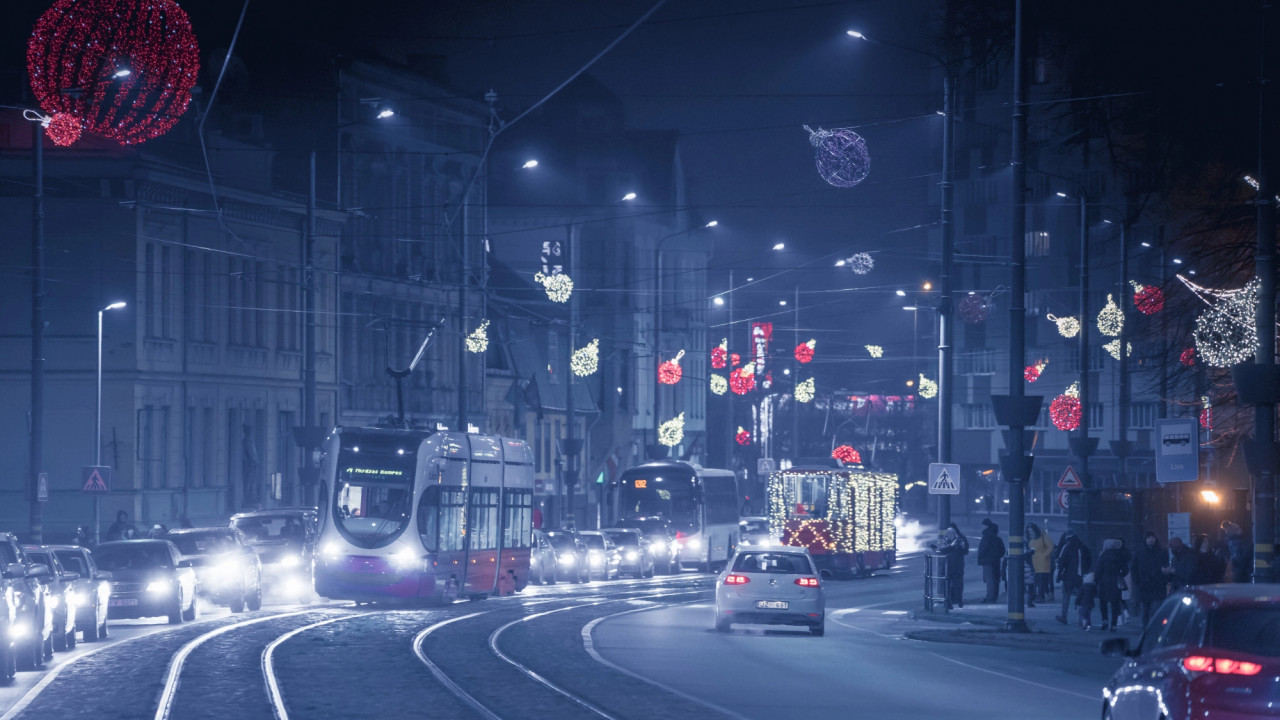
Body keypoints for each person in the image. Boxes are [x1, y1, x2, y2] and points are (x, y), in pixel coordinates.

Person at [1131, 531, 1169, 627]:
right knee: (1146, 609)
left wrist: (1164, 580)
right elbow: (1133, 568)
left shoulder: (1161, 552)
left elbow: (1166, 566)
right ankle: (1146, 627)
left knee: (1157, 609)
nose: (1151, 539)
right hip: (1144, 585)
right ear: (1145, 539)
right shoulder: (1139, 553)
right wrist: (1138, 582)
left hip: (1158, 585)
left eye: (1153, 537)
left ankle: (1157, 627)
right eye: (1149, 538)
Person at [1054, 529, 1091, 625]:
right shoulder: (1083, 547)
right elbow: (1088, 561)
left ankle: (1064, 617)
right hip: (1080, 576)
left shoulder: (1067, 547)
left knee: (1066, 596)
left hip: (1069, 576)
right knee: (1082, 597)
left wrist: (1058, 576)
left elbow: (1062, 563)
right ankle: (1082, 619)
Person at [931, 523, 969, 609]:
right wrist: (952, 546)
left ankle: (959, 600)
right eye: (948, 533)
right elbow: (942, 550)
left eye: (952, 533)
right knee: (947, 585)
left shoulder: (960, 540)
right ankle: (948, 602)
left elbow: (965, 551)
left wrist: (959, 546)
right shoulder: (943, 540)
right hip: (947, 566)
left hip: (958, 566)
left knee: (958, 584)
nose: (950, 535)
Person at [1095, 538, 1129, 631]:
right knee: (1115, 604)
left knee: (1103, 603)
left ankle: (1105, 621)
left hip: (1104, 581)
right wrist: (1120, 574)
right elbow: (1126, 569)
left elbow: (1098, 570)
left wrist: (1096, 580)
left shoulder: (1103, 556)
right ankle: (1114, 624)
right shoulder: (1120, 556)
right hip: (1116, 581)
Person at [977, 518, 1005, 603]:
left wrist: (981, 558)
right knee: (995, 579)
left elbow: (983, 549)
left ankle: (990, 597)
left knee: (989, 580)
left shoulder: (986, 537)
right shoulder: (997, 538)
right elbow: (1002, 551)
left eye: (982, 526)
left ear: (986, 526)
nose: (981, 527)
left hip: (987, 561)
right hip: (996, 561)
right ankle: (994, 596)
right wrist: (997, 557)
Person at [1027, 523, 1054, 603]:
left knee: (1041, 580)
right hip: (1034, 563)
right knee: (1036, 580)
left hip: (1043, 563)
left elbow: (1051, 547)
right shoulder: (1031, 539)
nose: (1031, 533)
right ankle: (1037, 595)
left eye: (1031, 531)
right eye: (1029, 532)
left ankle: (1041, 596)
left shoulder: (1044, 537)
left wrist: (1044, 555)